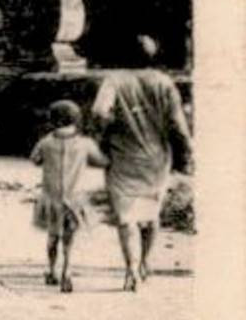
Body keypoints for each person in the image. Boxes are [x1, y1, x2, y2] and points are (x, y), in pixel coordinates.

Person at [91, 36, 195, 292]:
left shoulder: (114, 81)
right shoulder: (164, 83)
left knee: (126, 217)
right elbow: (178, 126)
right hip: (157, 158)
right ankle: (145, 262)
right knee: (150, 214)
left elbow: (99, 113)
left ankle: (131, 270)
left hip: (122, 156)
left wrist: (104, 134)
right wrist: (188, 152)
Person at [30, 100, 108, 293]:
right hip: (74, 199)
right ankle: (67, 270)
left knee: (52, 236)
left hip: (51, 197)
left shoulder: (46, 142)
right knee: (69, 238)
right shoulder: (85, 144)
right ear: (76, 120)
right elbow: (101, 162)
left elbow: (35, 159)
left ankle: (50, 269)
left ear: (52, 120)